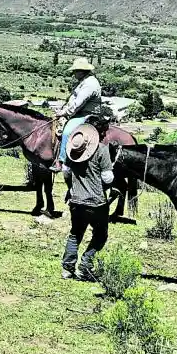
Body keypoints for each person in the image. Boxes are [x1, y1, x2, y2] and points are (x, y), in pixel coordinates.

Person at [61, 119, 114, 281]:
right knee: (100, 234)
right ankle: (85, 266)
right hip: (96, 203)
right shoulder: (102, 150)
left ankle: (67, 269)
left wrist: (71, 188)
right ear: (99, 133)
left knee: (75, 233)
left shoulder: (73, 149)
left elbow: (66, 172)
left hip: (76, 200)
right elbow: (107, 178)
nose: (104, 135)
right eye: (104, 132)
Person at [54, 57, 103, 170]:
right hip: (78, 112)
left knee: (67, 132)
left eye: (75, 71)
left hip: (86, 114)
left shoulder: (89, 84)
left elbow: (78, 104)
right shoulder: (83, 82)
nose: (73, 73)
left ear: (82, 71)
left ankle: (63, 161)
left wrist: (64, 113)